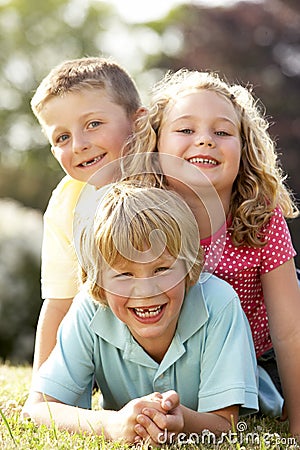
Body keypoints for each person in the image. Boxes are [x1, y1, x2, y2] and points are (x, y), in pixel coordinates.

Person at [122, 68, 300, 436]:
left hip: (257, 357)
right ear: (155, 145)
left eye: (222, 132)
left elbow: (289, 331)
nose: (205, 140)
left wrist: (297, 419)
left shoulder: (261, 217)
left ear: (244, 148)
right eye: (186, 130)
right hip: (172, 359)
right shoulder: (139, 218)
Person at [22, 180, 258, 445]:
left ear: (189, 266)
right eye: (124, 274)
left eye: (161, 269)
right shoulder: (89, 311)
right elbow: (38, 410)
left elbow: (225, 424)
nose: (146, 291)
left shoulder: (218, 303)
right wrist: (110, 424)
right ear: (97, 280)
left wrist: (181, 422)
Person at [29, 56, 144, 375]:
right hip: (116, 351)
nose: (79, 145)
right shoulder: (67, 201)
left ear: (137, 122)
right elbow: (59, 300)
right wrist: (41, 388)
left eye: (93, 124)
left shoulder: (166, 178)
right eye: (62, 137)